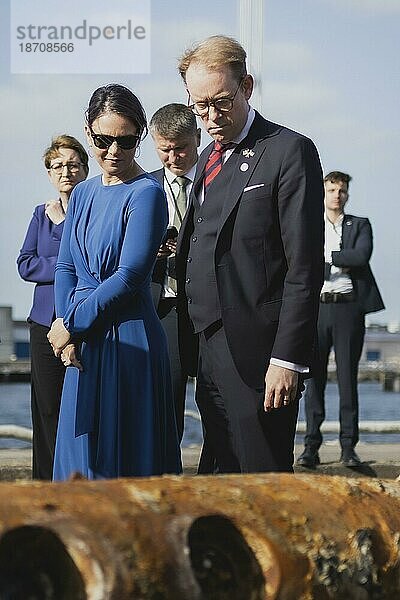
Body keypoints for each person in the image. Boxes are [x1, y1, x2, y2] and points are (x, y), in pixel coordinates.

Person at [175, 35, 325, 474]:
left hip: (261, 355)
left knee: (263, 479)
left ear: (247, 86)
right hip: (208, 346)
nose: (210, 117)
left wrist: (287, 359)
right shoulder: (205, 159)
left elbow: (305, 266)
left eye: (221, 102)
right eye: (198, 106)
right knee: (218, 474)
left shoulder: (287, 151)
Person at [47, 84, 182, 480]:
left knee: (125, 465)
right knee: (80, 466)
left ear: (139, 136)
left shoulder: (147, 195)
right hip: (82, 343)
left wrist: (69, 324)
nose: (113, 152)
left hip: (129, 342)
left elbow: (129, 277)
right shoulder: (84, 192)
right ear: (89, 133)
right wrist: (66, 329)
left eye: (126, 141)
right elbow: (65, 266)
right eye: (104, 140)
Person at [297, 171, 385, 468]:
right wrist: (336, 257)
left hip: (348, 309)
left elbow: (360, 256)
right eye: (332, 189)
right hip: (317, 309)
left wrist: (327, 258)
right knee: (314, 379)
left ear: (347, 194)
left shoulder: (359, 224)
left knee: (348, 379)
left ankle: (349, 447)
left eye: (342, 190)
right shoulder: (309, 224)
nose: (337, 195)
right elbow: (299, 257)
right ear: (324, 192)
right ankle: (311, 447)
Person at [17, 135, 89, 480]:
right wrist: (65, 261)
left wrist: (63, 262)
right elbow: (25, 264)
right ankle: (46, 482)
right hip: (43, 323)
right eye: (58, 166)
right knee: (47, 408)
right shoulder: (40, 214)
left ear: (85, 170)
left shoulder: (93, 208)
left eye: (73, 165)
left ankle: (80, 478)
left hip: (83, 321)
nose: (66, 172)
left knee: (82, 409)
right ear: (49, 173)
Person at [149, 103, 201, 441]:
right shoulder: (144, 187)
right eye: (165, 150)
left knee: (218, 401)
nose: (173, 157)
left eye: (181, 148)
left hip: (211, 307)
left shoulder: (218, 180)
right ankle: (170, 475)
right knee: (166, 403)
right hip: (163, 305)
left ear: (198, 138)